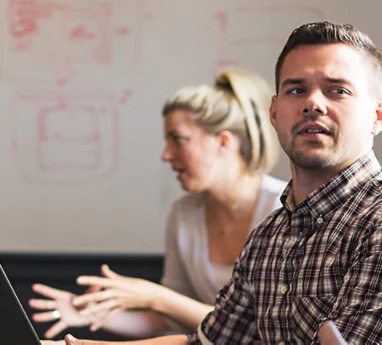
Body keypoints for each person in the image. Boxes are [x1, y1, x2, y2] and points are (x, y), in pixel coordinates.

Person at [51, 20, 382, 344]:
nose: (313, 103)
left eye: (337, 90)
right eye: (296, 90)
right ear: (275, 114)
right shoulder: (269, 235)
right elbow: (209, 342)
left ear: (378, 115)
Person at [30, 68, 287, 340]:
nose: (166, 155)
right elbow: (172, 322)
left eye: (178, 139)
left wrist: (156, 297)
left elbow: (254, 330)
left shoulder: (284, 209)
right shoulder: (184, 214)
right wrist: (103, 315)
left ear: (223, 142)